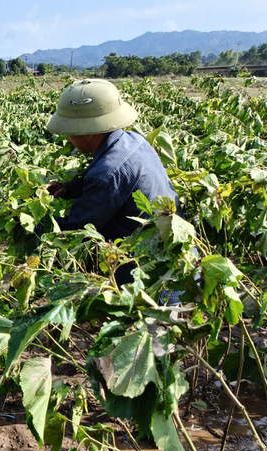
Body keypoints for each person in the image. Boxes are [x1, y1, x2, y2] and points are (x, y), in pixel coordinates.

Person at [43, 79, 185, 297]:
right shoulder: (133, 140)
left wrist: (31, 226)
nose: (69, 140)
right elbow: (114, 182)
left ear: (87, 131)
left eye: (70, 132)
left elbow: (78, 226)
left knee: (150, 329)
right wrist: (68, 189)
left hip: (150, 279)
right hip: (173, 258)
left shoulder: (107, 172)